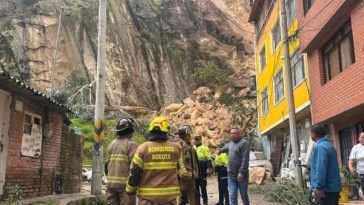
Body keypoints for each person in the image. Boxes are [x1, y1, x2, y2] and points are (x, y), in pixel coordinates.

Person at [126, 116, 188, 205]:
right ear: (166, 131)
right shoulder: (176, 148)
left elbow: (135, 172)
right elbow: (182, 172)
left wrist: (130, 190)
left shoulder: (143, 148)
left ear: (151, 131)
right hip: (170, 198)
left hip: (147, 199)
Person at [106, 118, 138, 205]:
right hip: (125, 185)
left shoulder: (111, 144)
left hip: (111, 184)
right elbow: (135, 166)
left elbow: (107, 164)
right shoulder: (131, 144)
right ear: (130, 131)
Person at [310, 124, 342, 205]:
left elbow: (321, 169)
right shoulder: (330, 146)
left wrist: (319, 187)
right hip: (333, 188)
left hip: (326, 190)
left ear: (313, 134)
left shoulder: (320, 147)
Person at [219, 127, 250, 205]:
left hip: (242, 176)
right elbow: (224, 149)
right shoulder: (230, 144)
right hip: (231, 175)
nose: (232, 135)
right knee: (233, 195)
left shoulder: (244, 143)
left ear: (239, 134)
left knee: (244, 196)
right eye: (231, 133)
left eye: (234, 133)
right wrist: (219, 151)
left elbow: (245, 159)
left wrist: (242, 172)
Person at [176, 125, 200, 205]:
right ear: (183, 135)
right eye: (188, 134)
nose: (190, 136)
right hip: (183, 177)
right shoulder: (179, 145)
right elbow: (178, 160)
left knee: (193, 197)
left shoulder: (190, 145)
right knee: (181, 198)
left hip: (191, 176)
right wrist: (182, 172)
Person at [194, 135, 212, 205]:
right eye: (196, 140)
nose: (197, 141)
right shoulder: (193, 148)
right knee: (196, 187)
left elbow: (208, 158)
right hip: (195, 170)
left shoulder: (205, 147)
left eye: (198, 140)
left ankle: (205, 201)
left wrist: (208, 168)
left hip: (202, 169)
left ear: (201, 140)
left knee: (203, 186)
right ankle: (197, 202)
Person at [349, 132, 364, 201]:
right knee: (362, 191)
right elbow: (351, 160)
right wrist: (351, 167)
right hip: (361, 173)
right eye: (362, 137)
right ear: (359, 138)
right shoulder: (356, 147)